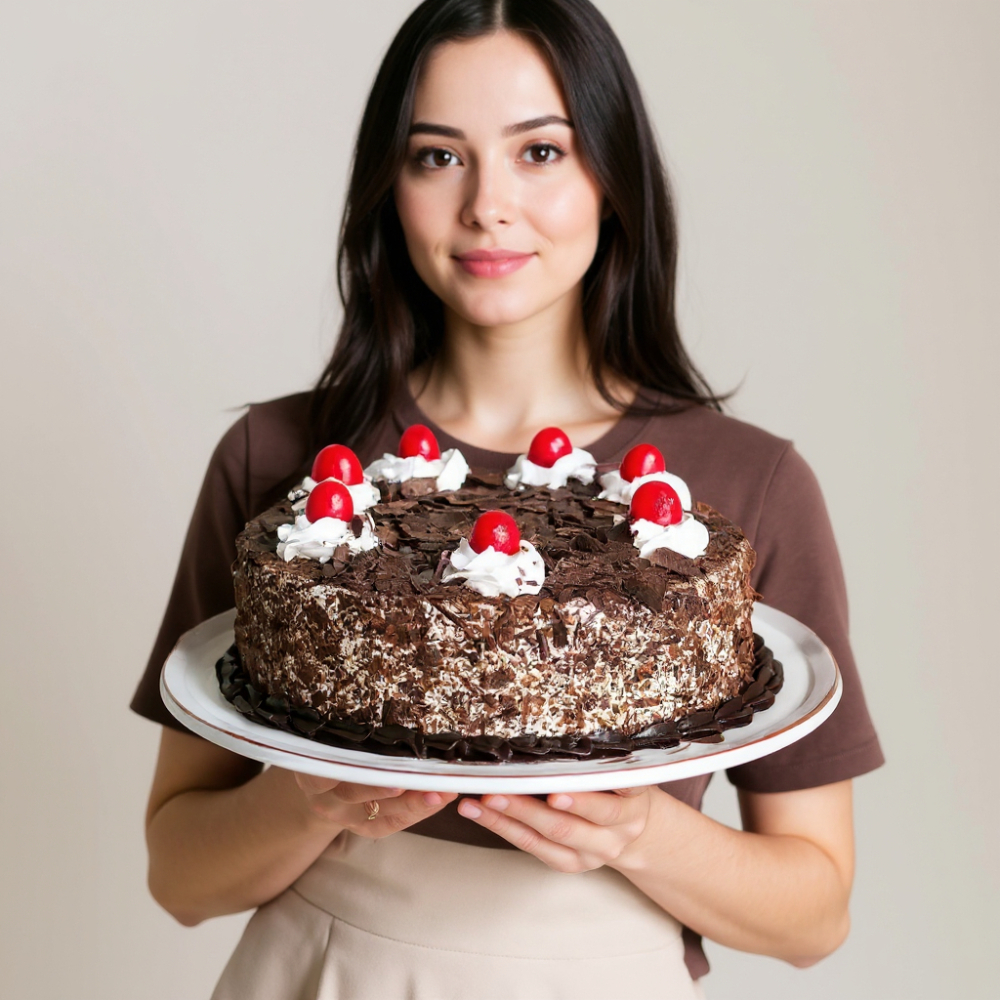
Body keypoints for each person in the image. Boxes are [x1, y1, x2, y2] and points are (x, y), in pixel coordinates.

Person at [131, 1, 884, 997]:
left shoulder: (745, 486)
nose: (487, 205)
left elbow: (814, 913)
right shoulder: (280, 462)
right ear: (387, 187)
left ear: (609, 178)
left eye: (539, 152)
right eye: (438, 157)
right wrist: (312, 802)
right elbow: (178, 873)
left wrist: (640, 830)